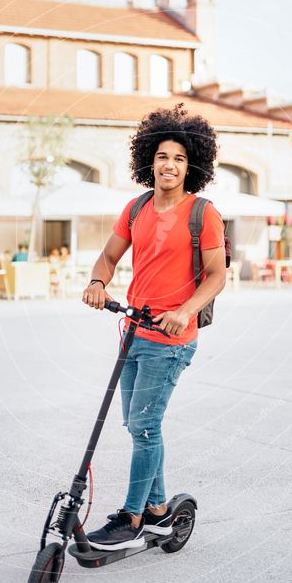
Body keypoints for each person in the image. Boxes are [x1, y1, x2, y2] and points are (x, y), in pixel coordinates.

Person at [82, 105, 227, 551]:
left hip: (171, 341)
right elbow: (108, 256)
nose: (169, 164)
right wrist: (97, 281)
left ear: (192, 166)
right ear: (150, 160)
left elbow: (218, 275)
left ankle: (132, 518)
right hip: (134, 332)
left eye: (180, 158)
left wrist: (185, 310)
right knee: (140, 425)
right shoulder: (136, 207)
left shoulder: (203, 213)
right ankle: (161, 512)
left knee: (144, 427)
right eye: (163, 156)